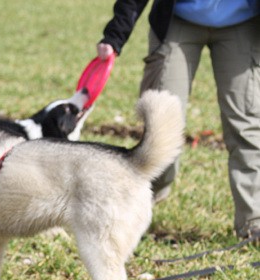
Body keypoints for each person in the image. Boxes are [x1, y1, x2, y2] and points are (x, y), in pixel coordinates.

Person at [96, 0, 260, 238]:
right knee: (161, 123)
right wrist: (115, 35)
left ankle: (253, 222)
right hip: (177, 20)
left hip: (242, 22)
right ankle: (139, 206)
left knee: (246, 126)